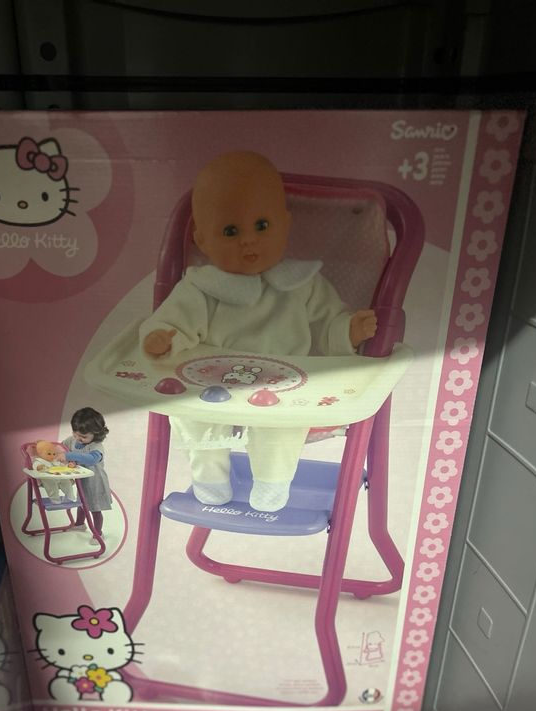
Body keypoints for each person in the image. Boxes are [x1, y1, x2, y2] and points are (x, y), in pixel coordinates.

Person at [140, 150, 377, 512]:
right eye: (230, 231)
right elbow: (177, 322)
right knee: (188, 411)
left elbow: (327, 323)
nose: (248, 240)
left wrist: (348, 330)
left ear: (285, 224)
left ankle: (272, 483)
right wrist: (162, 338)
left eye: (262, 226)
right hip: (211, 381)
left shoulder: (303, 283)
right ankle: (209, 477)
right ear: (202, 240)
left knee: (283, 425)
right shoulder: (202, 287)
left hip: (285, 385)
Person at [59, 407, 112, 543]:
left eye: (83, 437)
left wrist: (69, 456)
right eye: (76, 434)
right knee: (81, 502)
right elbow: (61, 447)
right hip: (81, 480)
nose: (79, 439)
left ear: (96, 433)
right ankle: (79, 524)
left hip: (95, 482)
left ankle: (98, 534)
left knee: (94, 507)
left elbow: (91, 459)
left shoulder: (96, 446)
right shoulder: (72, 440)